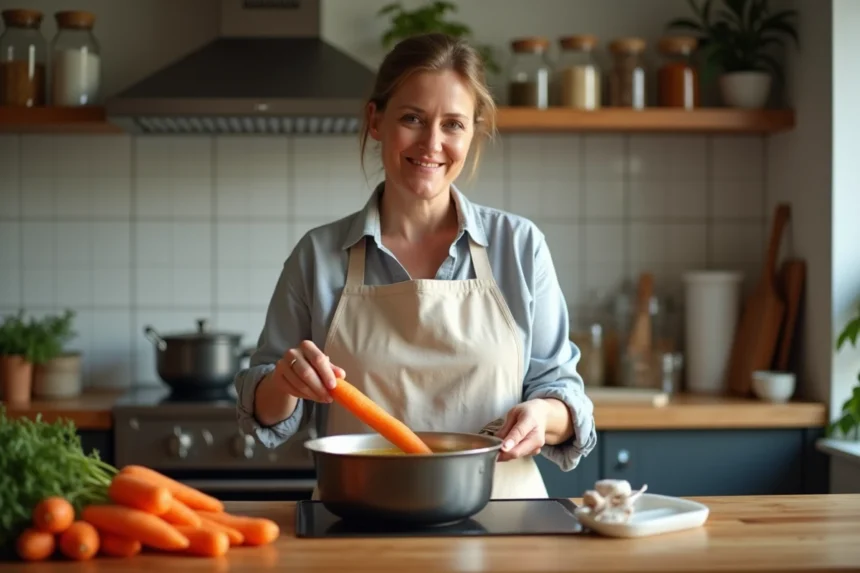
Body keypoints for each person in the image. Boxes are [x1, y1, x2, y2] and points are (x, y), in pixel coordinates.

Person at [234, 32, 596, 499]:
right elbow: (263, 410)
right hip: (362, 518)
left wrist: (543, 416)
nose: (432, 143)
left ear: (473, 132)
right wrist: (284, 381)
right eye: (412, 118)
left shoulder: (519, 247)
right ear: (376, 120)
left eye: (453, 124)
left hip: (504, 520)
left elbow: (561, 390)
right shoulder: (319, 255)